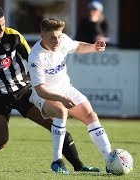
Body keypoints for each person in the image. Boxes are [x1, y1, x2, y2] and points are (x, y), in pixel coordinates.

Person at [0, 4, 100, 172]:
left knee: (55, 124)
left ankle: (79, 166)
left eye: (3, 24)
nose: (1, 29)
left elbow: (32, 59)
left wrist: (38, 75)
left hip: (23, 91)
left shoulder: (13, 36)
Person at [28, 18, 112, 174]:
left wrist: (94, 47)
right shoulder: (36, 57)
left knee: (90, 115)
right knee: (61, 110)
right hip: (43, 95)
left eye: (59, 36)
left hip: (65, 89)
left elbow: (78, 46)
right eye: (52, 37)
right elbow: (40, 90)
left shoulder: (63, 40)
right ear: (42, 35)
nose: (57, 41)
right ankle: (57, 161)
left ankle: (110, 160)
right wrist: (61, 99)